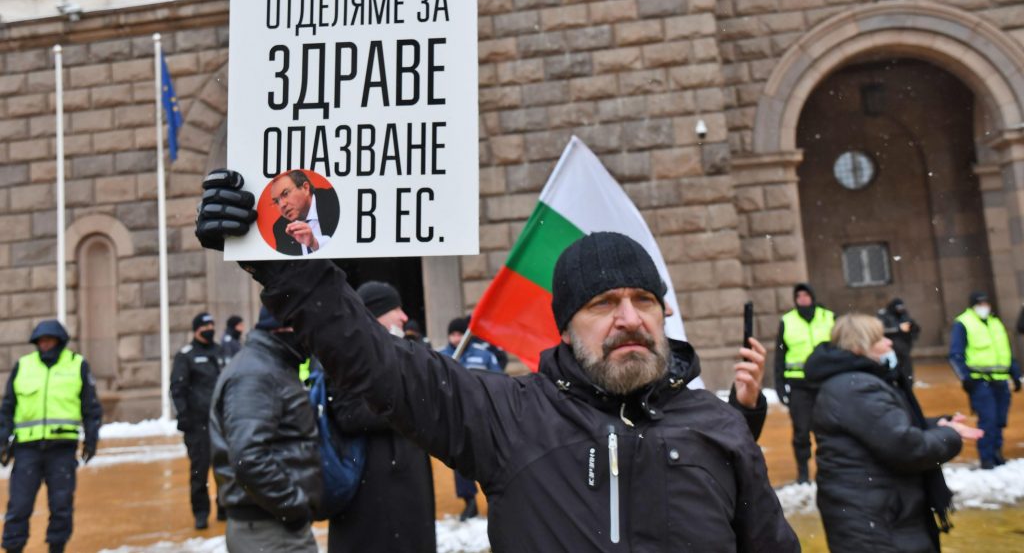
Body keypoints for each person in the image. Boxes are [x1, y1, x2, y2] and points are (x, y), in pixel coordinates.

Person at [195, 178, 797, 550]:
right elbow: (378, 363)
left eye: (644, 301)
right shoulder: (509, 416)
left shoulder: (716, 429)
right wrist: (282, 264)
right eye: (603, 303)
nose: (630, 318)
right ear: (565, 324)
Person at [805, 313, 981, 553]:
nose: (889, 343)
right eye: (880, 339)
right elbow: (907, 447)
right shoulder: (856, 387)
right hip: (877, 523)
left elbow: (882, 429)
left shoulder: (853, 382)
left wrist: (933, 426)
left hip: (877, 515)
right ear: (859, 347)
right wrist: (951, 436)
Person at [325, 281, 436, 553]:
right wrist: (407, 404)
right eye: (396, 309)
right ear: (376, 314)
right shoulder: (344, 355)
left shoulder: (405, 352)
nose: (404, 317)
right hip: (370, 493)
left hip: (408, 488)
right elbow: (348, 414)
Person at [209, 307, 321, 552]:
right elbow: (248, 458)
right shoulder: (256, 373)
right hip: (268, 528)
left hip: (274, 524)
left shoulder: (272, 365)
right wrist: (294, 508)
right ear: (286, 327)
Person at [0, 320, 103, 553]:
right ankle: (13, 548)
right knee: (19, 505)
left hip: (62, 449)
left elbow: (91, 407)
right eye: (41, 341)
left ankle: (57, 548)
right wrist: (2, 438)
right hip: (27, 449)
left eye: (49, 340)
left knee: (61, 505)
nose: (45, 345)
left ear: (60, 342)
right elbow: (8, 407)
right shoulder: (24, 366)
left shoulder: (77, 365)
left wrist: (91, 438)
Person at [948, 291, 1022, 469]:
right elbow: (955, 355)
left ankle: (997, 453)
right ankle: (987, 458)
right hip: (980, 381)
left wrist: (1015, 374)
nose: (984, 306)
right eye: (980, 303)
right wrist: (966, 378)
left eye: (986, 303)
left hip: (1000, 380)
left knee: (999, 419)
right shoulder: (964, 323)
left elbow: (1005, 351)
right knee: (987, 419)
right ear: (973, 305)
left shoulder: (995, 323)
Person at [440, 316, 502, 520]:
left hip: (484, 417)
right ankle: (469, 502)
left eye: (460, 334)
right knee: (461, 463)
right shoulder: (439, 356)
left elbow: (499, 382)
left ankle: (496, 502)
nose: (457, 338)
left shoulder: (484, 356)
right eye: (453, 334)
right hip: (456, 419)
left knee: (492, 459)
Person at [774, 282, 835, 483]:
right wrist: (780, 385)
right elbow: (779, 355)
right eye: (798, 296)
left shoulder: (827, 317)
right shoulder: (788, 321)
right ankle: (803, 474)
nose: (803, 299)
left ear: (812, 297)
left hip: (825, 383)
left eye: (806, 295)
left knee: (827, 429)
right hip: (799, 386)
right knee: (801, 432)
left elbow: (841, 348)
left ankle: (828, 470)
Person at [170, 312, 224, 529]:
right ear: (196, 329)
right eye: (206, 325)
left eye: (212, 324)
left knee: (224, 468)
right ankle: (201, 512)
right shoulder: (186, 355)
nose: (210, 328)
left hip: (220, 423)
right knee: (199, 472)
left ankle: (225, 508)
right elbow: (177, 389)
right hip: (197, 425)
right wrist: (184, 417)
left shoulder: (220, 352)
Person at [270, 170, 339, 256]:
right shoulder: (280, 228)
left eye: (286, 193)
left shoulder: (334, 201)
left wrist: (315, 243)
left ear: (305, 188)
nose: (282, 205)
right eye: (276, 201)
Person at [878, 298, 921, 381]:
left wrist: (913, 328)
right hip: (890, 348)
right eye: (898, 308)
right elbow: (880, 330)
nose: (900, 310)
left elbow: (913, 326)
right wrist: (898, 329)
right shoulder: (883, 315)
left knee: (907, 370)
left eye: (901, 308)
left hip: (904, 347)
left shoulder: (904, 314)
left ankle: (908, 383)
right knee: (892, 368)